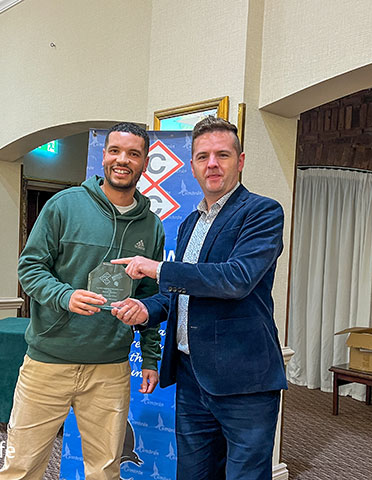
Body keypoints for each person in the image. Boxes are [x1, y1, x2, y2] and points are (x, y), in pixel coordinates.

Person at [110, 116, 287, 480]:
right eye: (203, 156)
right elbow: (178, 295)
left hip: (244, 383)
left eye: (222, 155)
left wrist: (158, 268)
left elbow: (235, 279)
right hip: (192, 377)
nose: (212, 164)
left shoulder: (262, 212)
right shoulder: (191, 222)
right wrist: (146, 308)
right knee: (192, 474)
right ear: (191, 165)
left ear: (240, 161)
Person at [0, 123, 165, 480]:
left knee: (104, 471)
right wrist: (65, 295)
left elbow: (151, 298)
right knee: (21, 468)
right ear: (103, 156)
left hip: (110, 369)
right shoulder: (64, 206)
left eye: (133, 154)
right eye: (115, 150)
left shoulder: (151, 226)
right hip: (48, 363)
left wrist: (151, 356)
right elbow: (29, 267)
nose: (123, 160)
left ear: (145, 163)